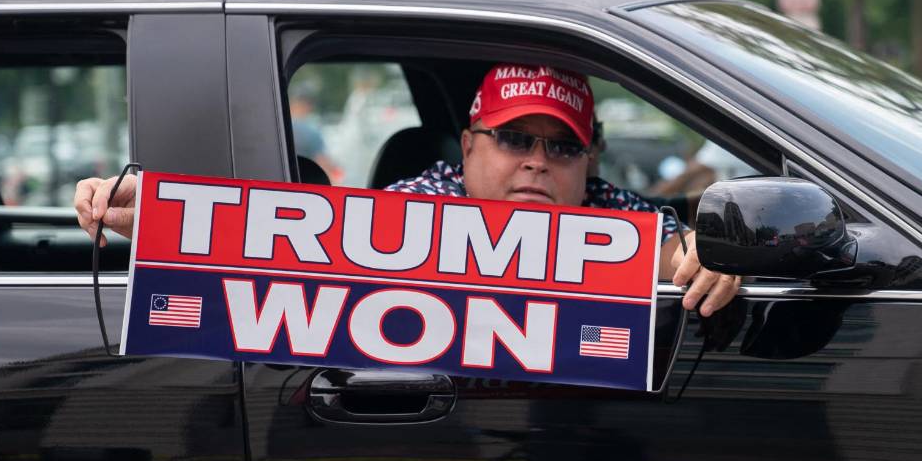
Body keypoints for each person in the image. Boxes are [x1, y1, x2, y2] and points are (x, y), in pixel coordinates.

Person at [74, 63, 739, 317]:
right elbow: (292, 244)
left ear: (587, 159)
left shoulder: (609, 208)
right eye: (514, 140)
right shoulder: (420, 204)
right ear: (470, 144)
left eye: (562, 146)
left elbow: (672, 248)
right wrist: (159, 217)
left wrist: (709, 254)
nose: (538, 163)